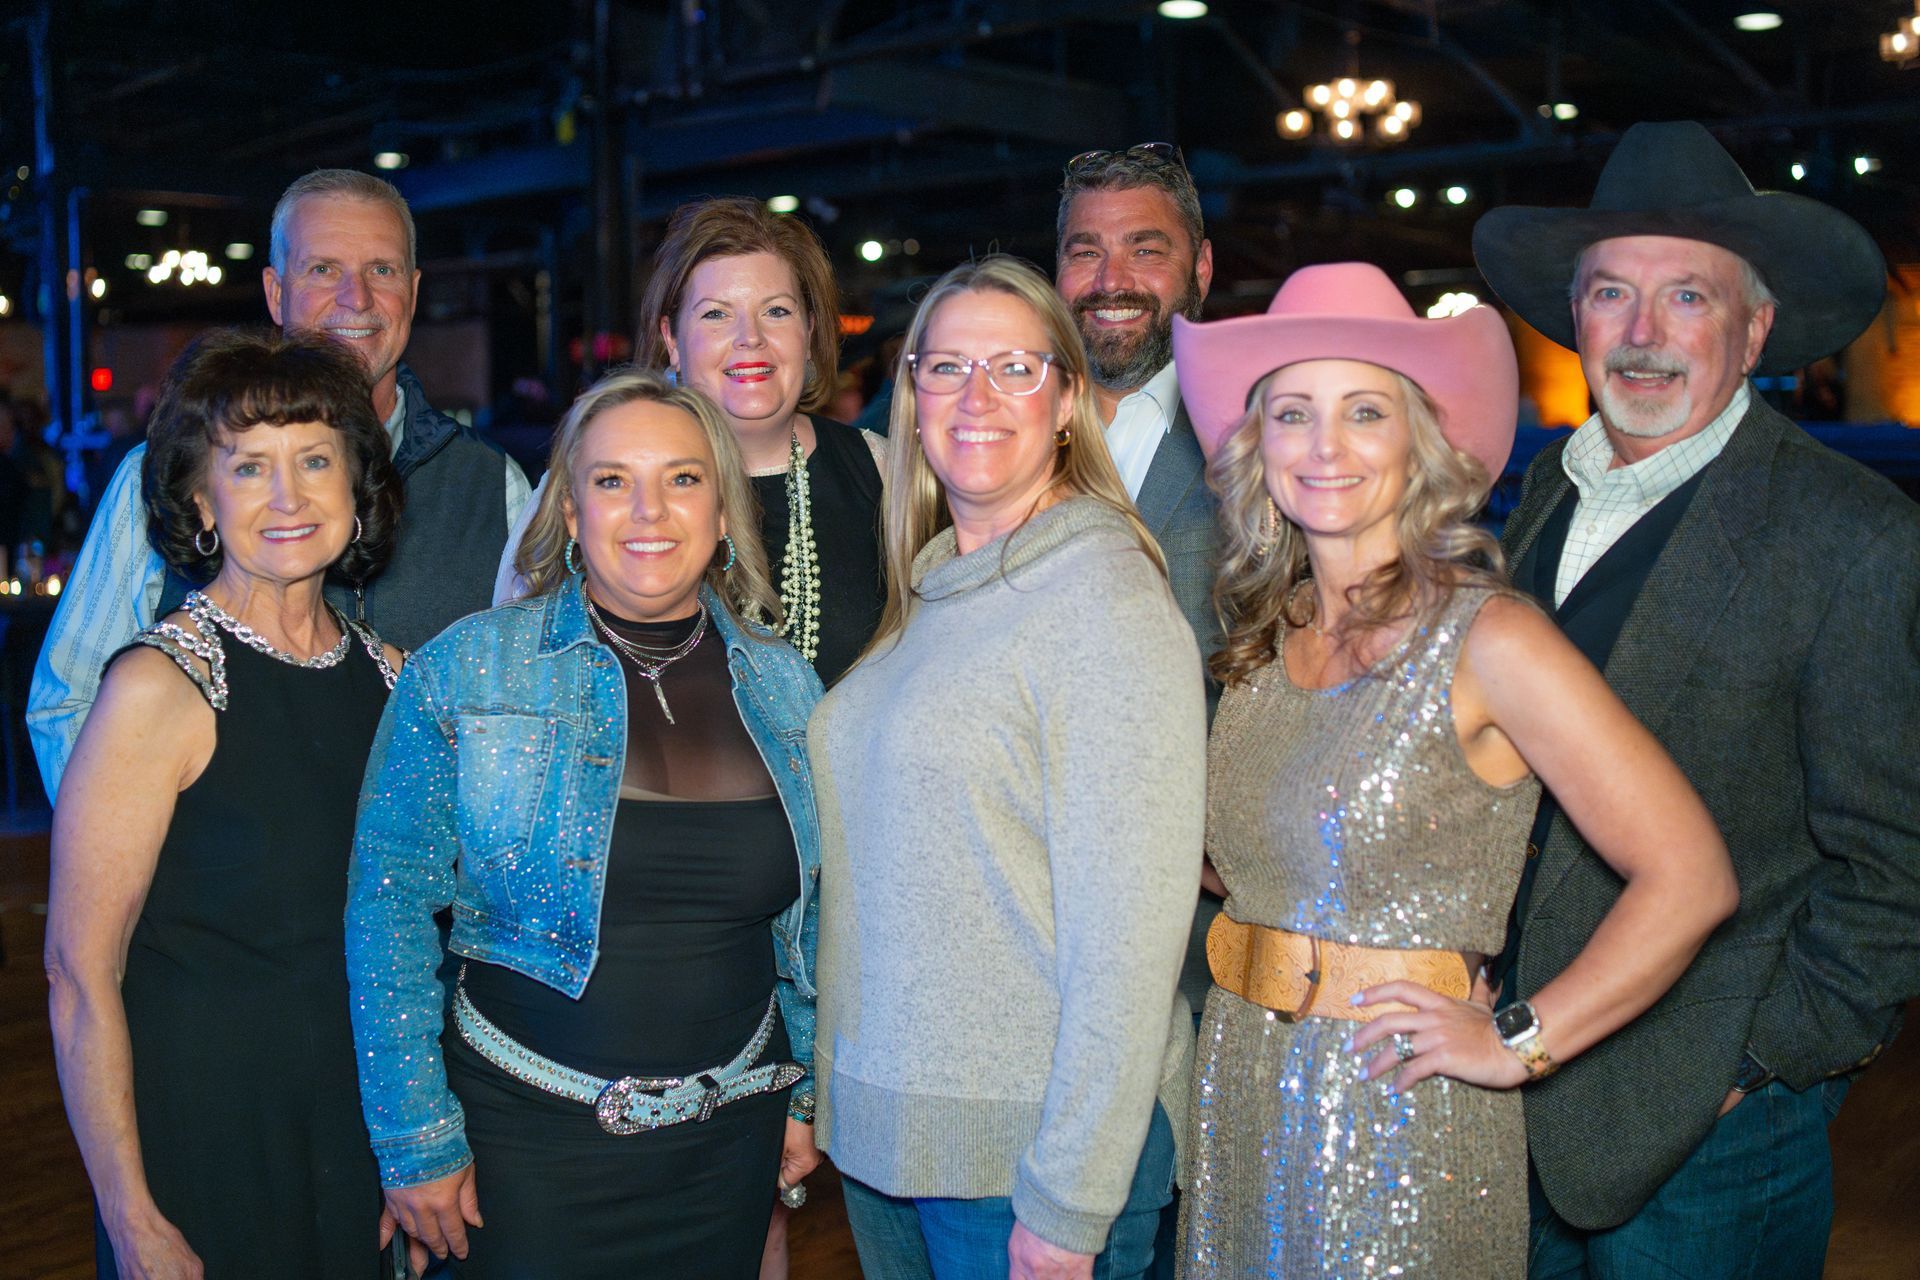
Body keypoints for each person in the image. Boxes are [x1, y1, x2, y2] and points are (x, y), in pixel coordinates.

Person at [1166, 262, 1739, 1278]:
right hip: (1244, 1079)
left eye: (1365, 411)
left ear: (1419, 442)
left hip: (1399, 1107)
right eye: (1292, 413)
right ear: (1258, 447)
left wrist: (1519, 1038)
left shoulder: (1491, 639)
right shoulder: (1265, 636)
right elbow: (1251, 864)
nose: (1325, 446)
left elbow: (1690, 874)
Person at [1472, 120, 1920, 1278]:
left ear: (1756, 326)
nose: (1643, 333)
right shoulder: (1532, 508)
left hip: (1709, 1129)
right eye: (1612, 293)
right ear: (1575, 318)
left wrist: (1763, 1063)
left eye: (1688, 298)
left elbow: (1896, 858)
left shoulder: (1853, 535)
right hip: (1510, 1076)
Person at [346, 369, 824, 1279]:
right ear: (569, 511)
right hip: (521, 1150)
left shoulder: (785, 686)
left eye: (683, 479)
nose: (650, 510)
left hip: (729, 1145)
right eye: (612, 481)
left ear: (724, 512)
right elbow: (387, 911)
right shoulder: (468, 668)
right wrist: (416, 1137)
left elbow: (815, 925)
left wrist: (803, 1092)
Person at [809, 254, 1206, 1280]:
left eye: (1015, 367)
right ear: (910, 392)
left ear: (1069, 398)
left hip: (1024, 1162)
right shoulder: (939, 587)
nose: (975, 396)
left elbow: (1132, 938)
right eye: (944, 367)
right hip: (892, 1138)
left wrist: (1070, 1203)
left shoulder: (1102, 596)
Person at [43, 329, 406, 1278]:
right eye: (250, 468)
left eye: (316, 460)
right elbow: (79, 979)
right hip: (203, 1148)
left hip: (356, 1139)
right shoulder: (156, 690)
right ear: (203, 502)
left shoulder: (397, 682)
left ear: (356, 489)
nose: (289, 497)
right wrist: (132, 1219)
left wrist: (415, 1153)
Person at [29, 167, 531, 798]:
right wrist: (151, 858)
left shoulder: (494, 486)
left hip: (423, 891)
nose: (356, 298)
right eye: (323, 269)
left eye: (383, 270)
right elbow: (68, 703)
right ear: (275, 291)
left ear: (414, 289)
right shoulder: (165, 474)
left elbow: (528, 715)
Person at [499, 197, 887, 689]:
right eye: (716, 315)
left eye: (776, 310)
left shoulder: (883, 471)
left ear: (809, 331)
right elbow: (511, 673)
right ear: (672, 339)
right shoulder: (592, 483)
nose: (751, 337)